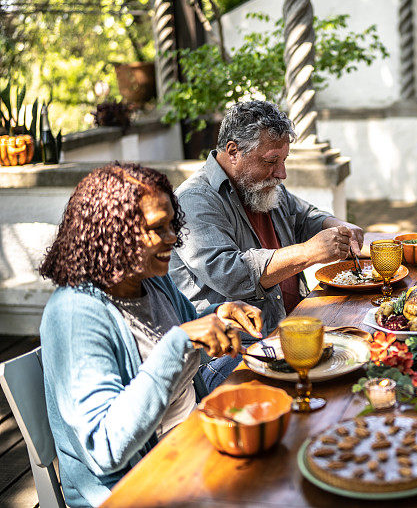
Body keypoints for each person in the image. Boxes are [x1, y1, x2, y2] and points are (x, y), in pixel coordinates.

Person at [38, 163, 262, 508]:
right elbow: (105, 449)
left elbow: (191, 343)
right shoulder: (75, 315)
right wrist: (180, 342)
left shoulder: (150, 280)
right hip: (136, 485)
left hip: (193, 445)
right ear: (113, 234)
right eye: (158, 228)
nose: (173, 237)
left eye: (172, 224)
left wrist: (217, 319)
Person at [170, 100, 364, 389]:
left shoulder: (262, 184)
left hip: (288, 327)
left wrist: (336, 225)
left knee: (362, 347)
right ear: (233, 151)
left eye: (284, 161)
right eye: (272, 161)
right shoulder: (194, 200)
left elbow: (305, 217)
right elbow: (230, 274)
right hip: (229, 354)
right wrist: (310, 252)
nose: (281, 173)